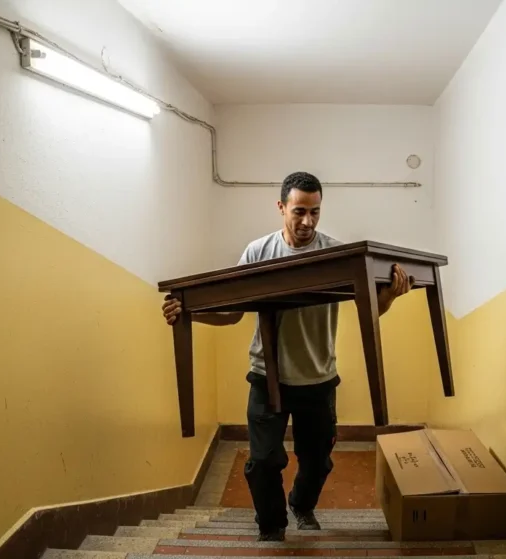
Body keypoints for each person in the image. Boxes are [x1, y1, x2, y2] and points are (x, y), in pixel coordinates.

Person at [162, 171, 412, 541]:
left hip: (319, 379)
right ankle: (272, 526)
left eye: (315, 212)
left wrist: (389, 296)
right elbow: (232, 312)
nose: (307, 221)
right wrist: (189, 315)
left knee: (317, 461)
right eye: (299, 212)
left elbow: (368, 308)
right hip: (267, 378)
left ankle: (301, 504)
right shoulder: (257, 252)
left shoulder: (336, 254)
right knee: (263, 461)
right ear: (281, 207)